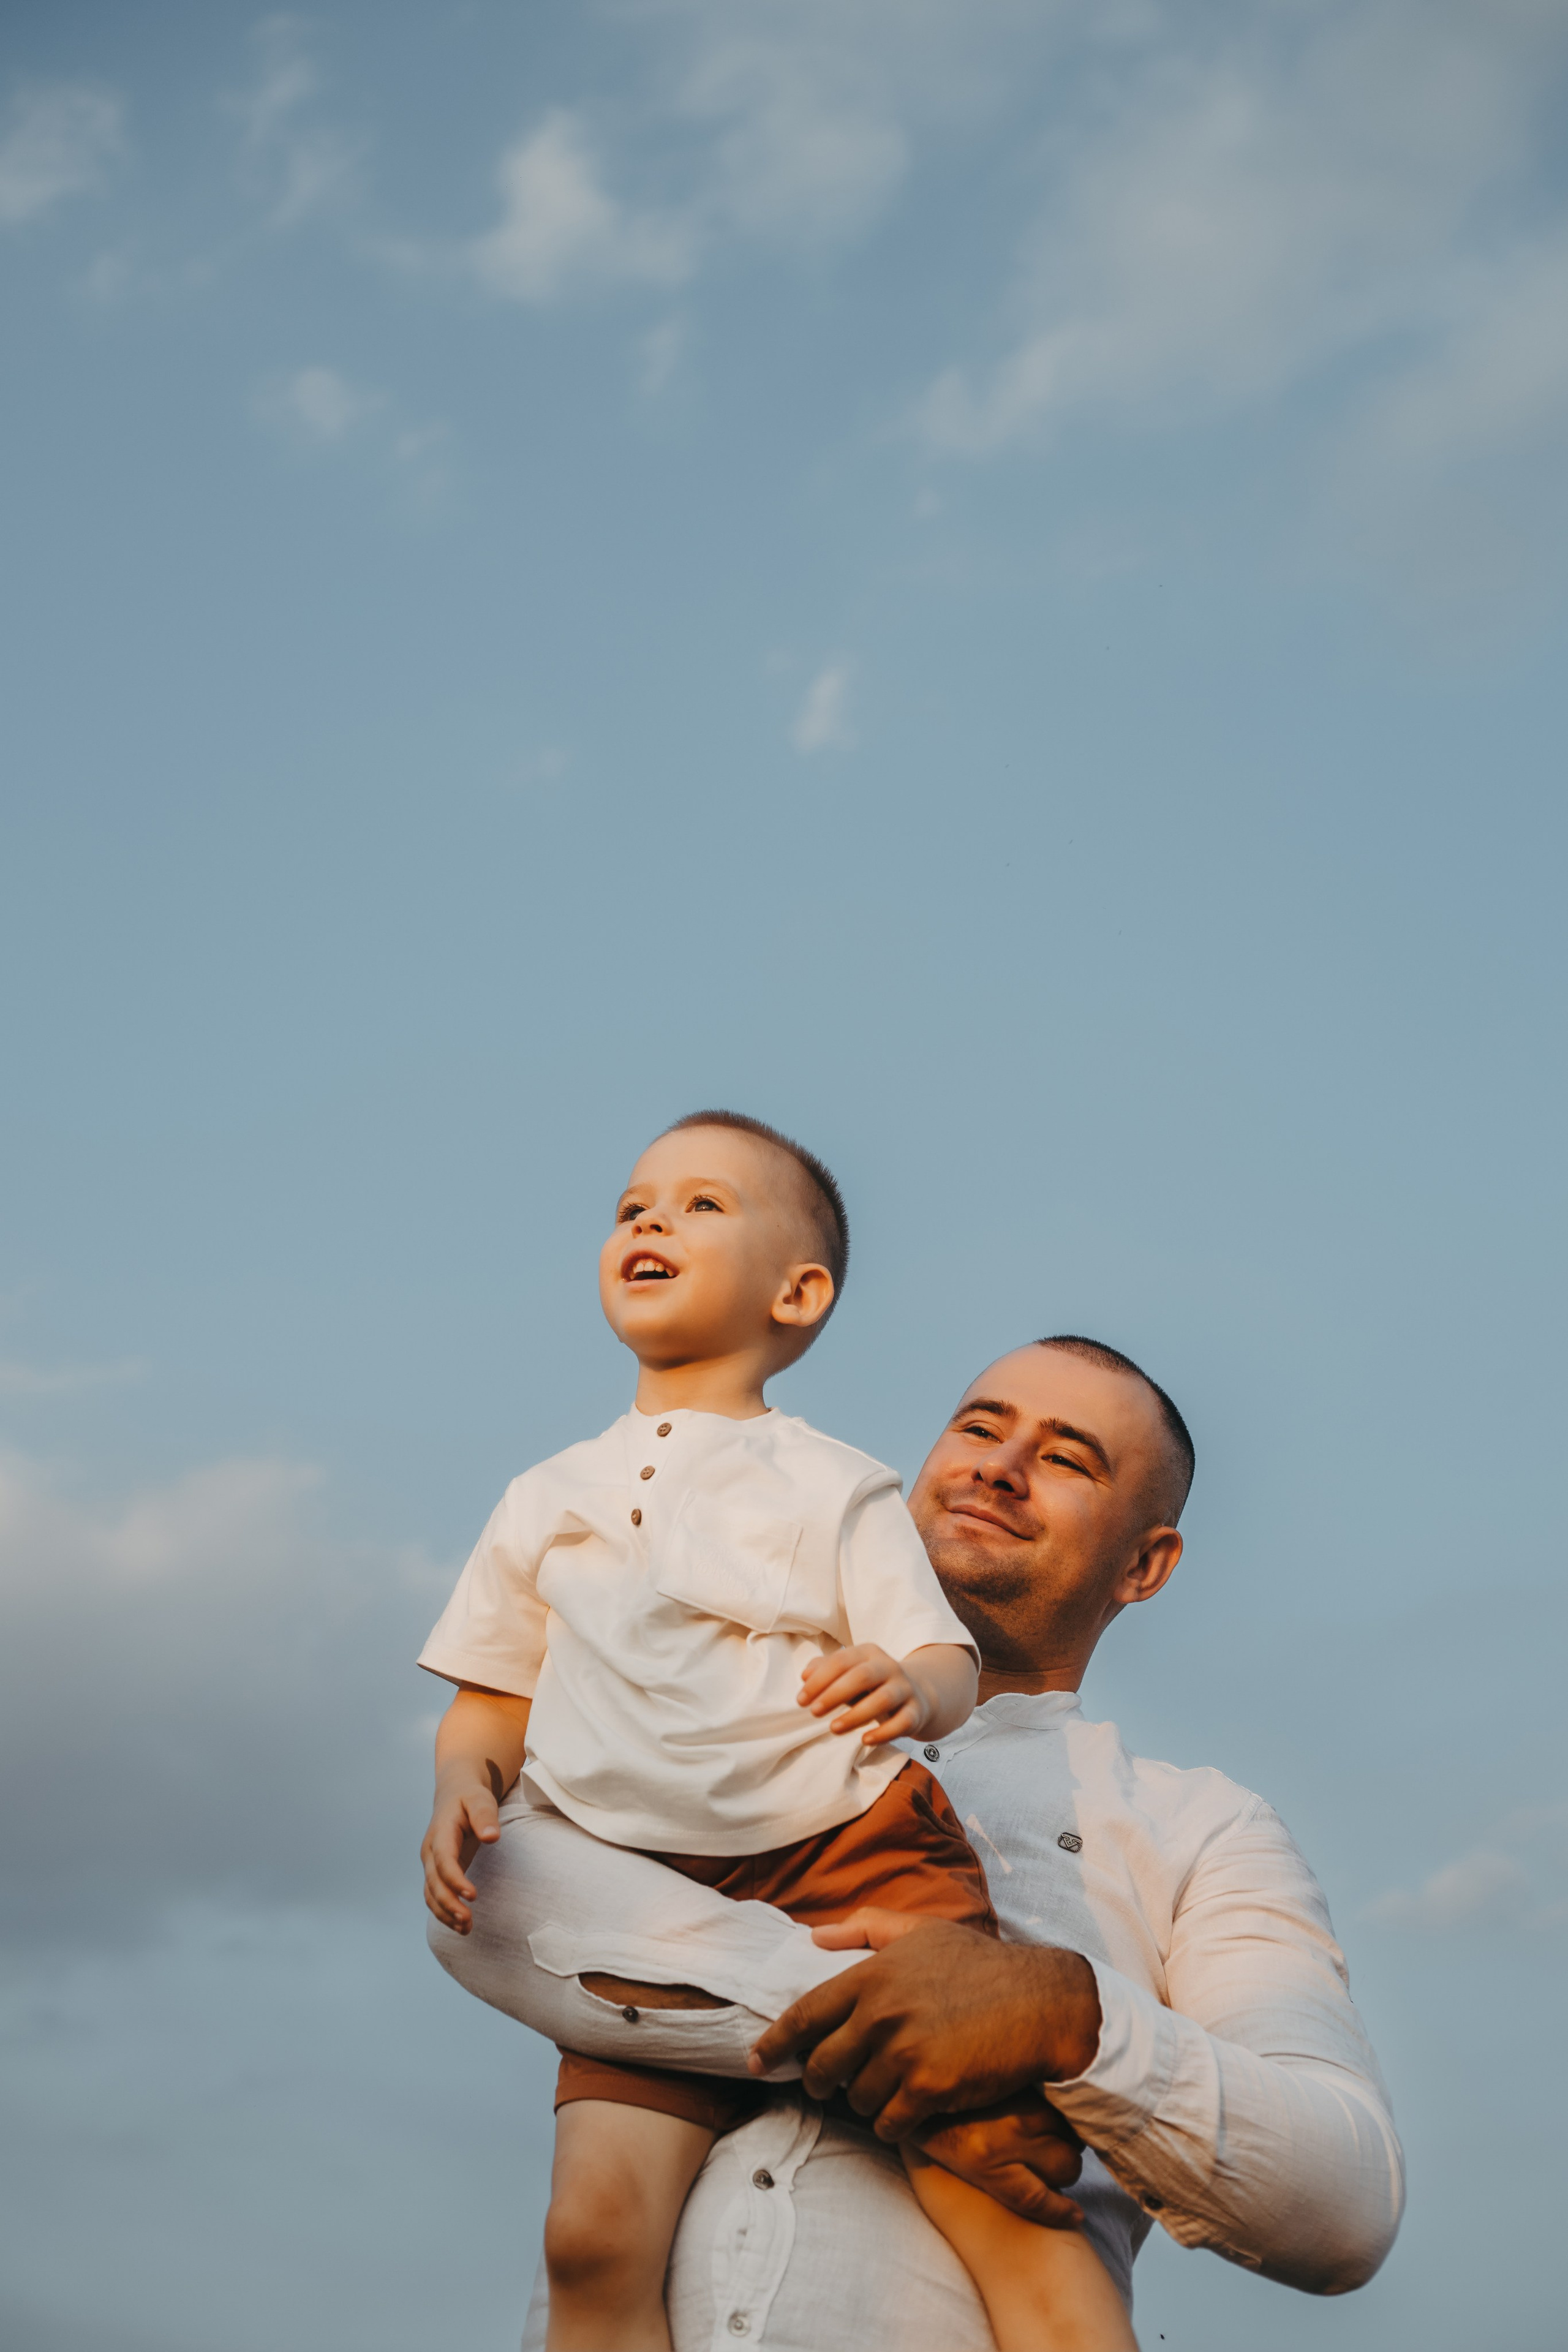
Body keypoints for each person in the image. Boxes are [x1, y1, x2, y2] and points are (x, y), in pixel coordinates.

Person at [429, 1337, 1406, 2350]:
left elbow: (1344, 2201)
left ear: (1146, 1563)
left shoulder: (1201, 1829)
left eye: (1068, 1458)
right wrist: (887, 2019)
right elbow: (488, 1898)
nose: (997, 1465)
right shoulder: (688, 1726)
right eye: (979, 1427)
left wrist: (1065, 2018)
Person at [418, 1112, 1134, 2352]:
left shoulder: (830, 1480)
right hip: (640, 1893)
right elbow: (492, 1696)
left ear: (796, 1294)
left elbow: (941, 1661)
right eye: (634, 1203)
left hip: (846, 1853)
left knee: (1000, 2197)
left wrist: (906, 1691)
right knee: (588, 2236)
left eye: (701, 1206)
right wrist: (462, 1785)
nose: (648, 1222)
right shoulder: (543, 1496)